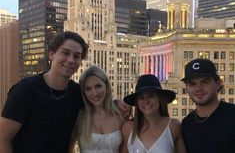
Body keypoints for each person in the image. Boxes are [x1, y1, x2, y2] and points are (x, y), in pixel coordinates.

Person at [0, 31, 129, 153]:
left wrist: (116, 102)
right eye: (65, 53)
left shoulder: (77, 94)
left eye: (76, 56)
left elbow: (97, 101)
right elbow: (3, 138)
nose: (71, 60)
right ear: (51, 54)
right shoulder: (25, 90)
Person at [120, 74, 187, 153]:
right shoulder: (128, 127)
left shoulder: (173, 125)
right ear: (137, 102)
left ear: (159, 98)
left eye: (151, 96)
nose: (146, 101)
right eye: (141, 98)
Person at [181, 58, 235, 153]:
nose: (198, 88)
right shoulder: (186, 124)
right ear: (186, 88)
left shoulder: (232, 115)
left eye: (205, 82)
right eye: (192, 84)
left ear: (218, 84)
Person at [69, 65, 123, 153]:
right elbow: (69, 149)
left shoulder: (120, 114)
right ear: (83, 92)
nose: (94, 93)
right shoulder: (79, 116)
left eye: (98, 86)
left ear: (106, 86)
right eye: (88, 89)